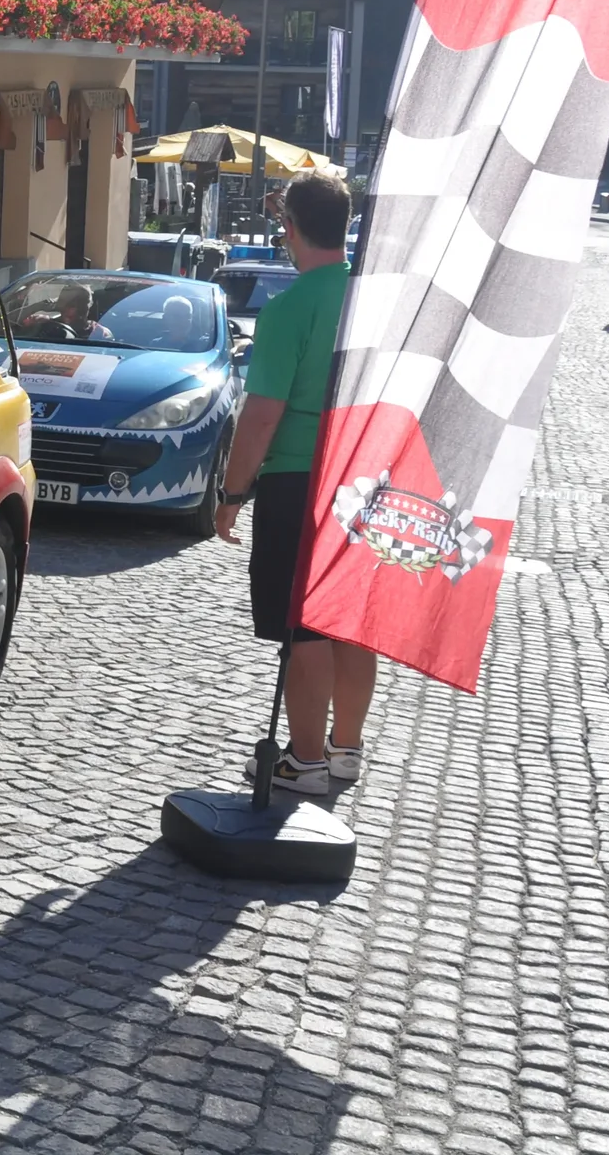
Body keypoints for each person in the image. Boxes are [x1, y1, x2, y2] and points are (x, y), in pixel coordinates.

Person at [215, 168, 372, 796]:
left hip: (299, 480)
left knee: (305, 628)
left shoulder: (288, 309)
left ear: (290, 228)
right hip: (366, 478)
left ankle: (302, 761)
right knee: (354, 623)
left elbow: (261, 415)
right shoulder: (371, 298)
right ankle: (345, 751)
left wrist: (231, 494)